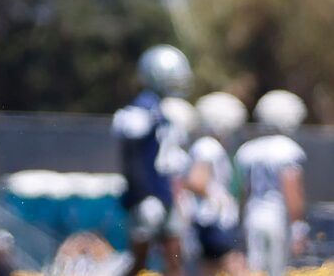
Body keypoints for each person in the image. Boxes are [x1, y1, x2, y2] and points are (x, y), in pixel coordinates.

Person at [113, 45, 194, 276]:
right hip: (148, 196)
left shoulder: (160, 109)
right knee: (138, 260)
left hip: (164, 193)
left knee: (175, 257)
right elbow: (131, 154)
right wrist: (143, 194)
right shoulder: (140, 109)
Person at [237, 90, 308, 276]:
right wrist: (298, 226)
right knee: (277, 271)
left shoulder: (248, 149)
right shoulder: (287, 148)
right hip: (276, 216)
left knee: (254, 270)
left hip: (252, 215)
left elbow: (243, 191)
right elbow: (290, 188)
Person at [188, 93, 247, 276]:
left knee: (208, 269)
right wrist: (218, 198)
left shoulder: (207, 145)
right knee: (236, 265)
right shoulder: (208, 146)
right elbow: (196, 181)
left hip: (207, 221)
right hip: (214, 221)